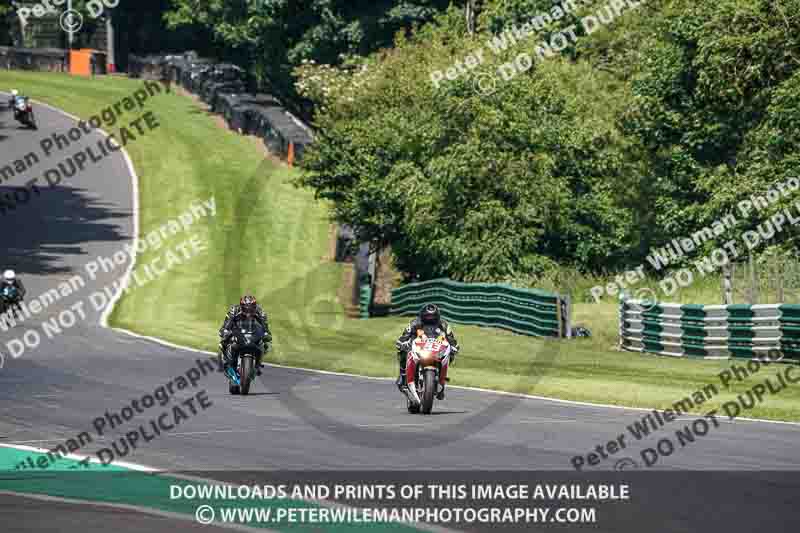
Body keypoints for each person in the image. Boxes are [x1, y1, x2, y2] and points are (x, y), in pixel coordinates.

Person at [395, 303, 459, 399]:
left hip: (435, 350)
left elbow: (451, 339)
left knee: (450, 353)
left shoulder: (444, 325)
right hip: (418, 348)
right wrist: (401, 343)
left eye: (432, 316)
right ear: (422, 316)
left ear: (437, 316)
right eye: (428, 316)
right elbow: (404, 336)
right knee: (403, 351)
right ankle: (403, 376)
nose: (430, 319)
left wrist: (454, 347)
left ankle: (441, 380)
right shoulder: (414, 323)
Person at [218, 295, 272, 376]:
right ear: (241, 306)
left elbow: (265, 328)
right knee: (223, 342)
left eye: (251, 308)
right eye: (246, 308)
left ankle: (257, 365)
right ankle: (226, 361)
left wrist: (266, 334)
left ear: (255, 306)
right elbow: (226, 325)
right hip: (237, 333)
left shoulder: (260, 312)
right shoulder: (234, 310)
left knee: (265, 344)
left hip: (252, 335)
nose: (248, 311)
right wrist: (225, 331)